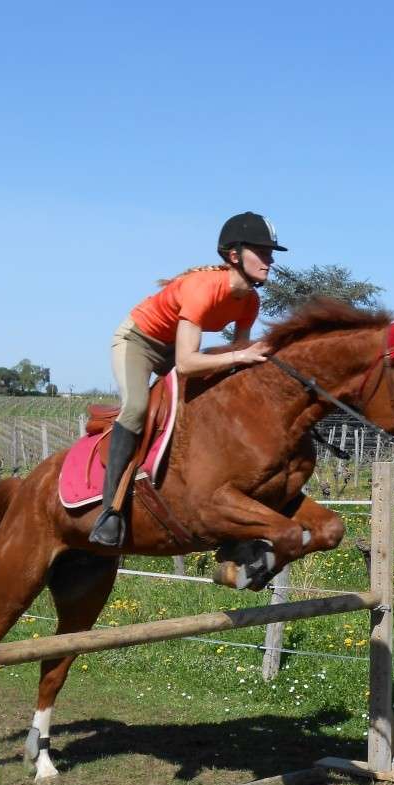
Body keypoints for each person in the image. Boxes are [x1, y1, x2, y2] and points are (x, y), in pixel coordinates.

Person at [89, 212, 288, 547]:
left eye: (271, 254)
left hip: (177, 347)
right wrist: (242, 355)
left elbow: (238, 354)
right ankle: (109, 512)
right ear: (235, 255)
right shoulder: (202, 288)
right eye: (262, 252)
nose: (269, 261)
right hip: (138, 343)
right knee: (137, 408)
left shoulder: (250, 301)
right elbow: (185, 364)